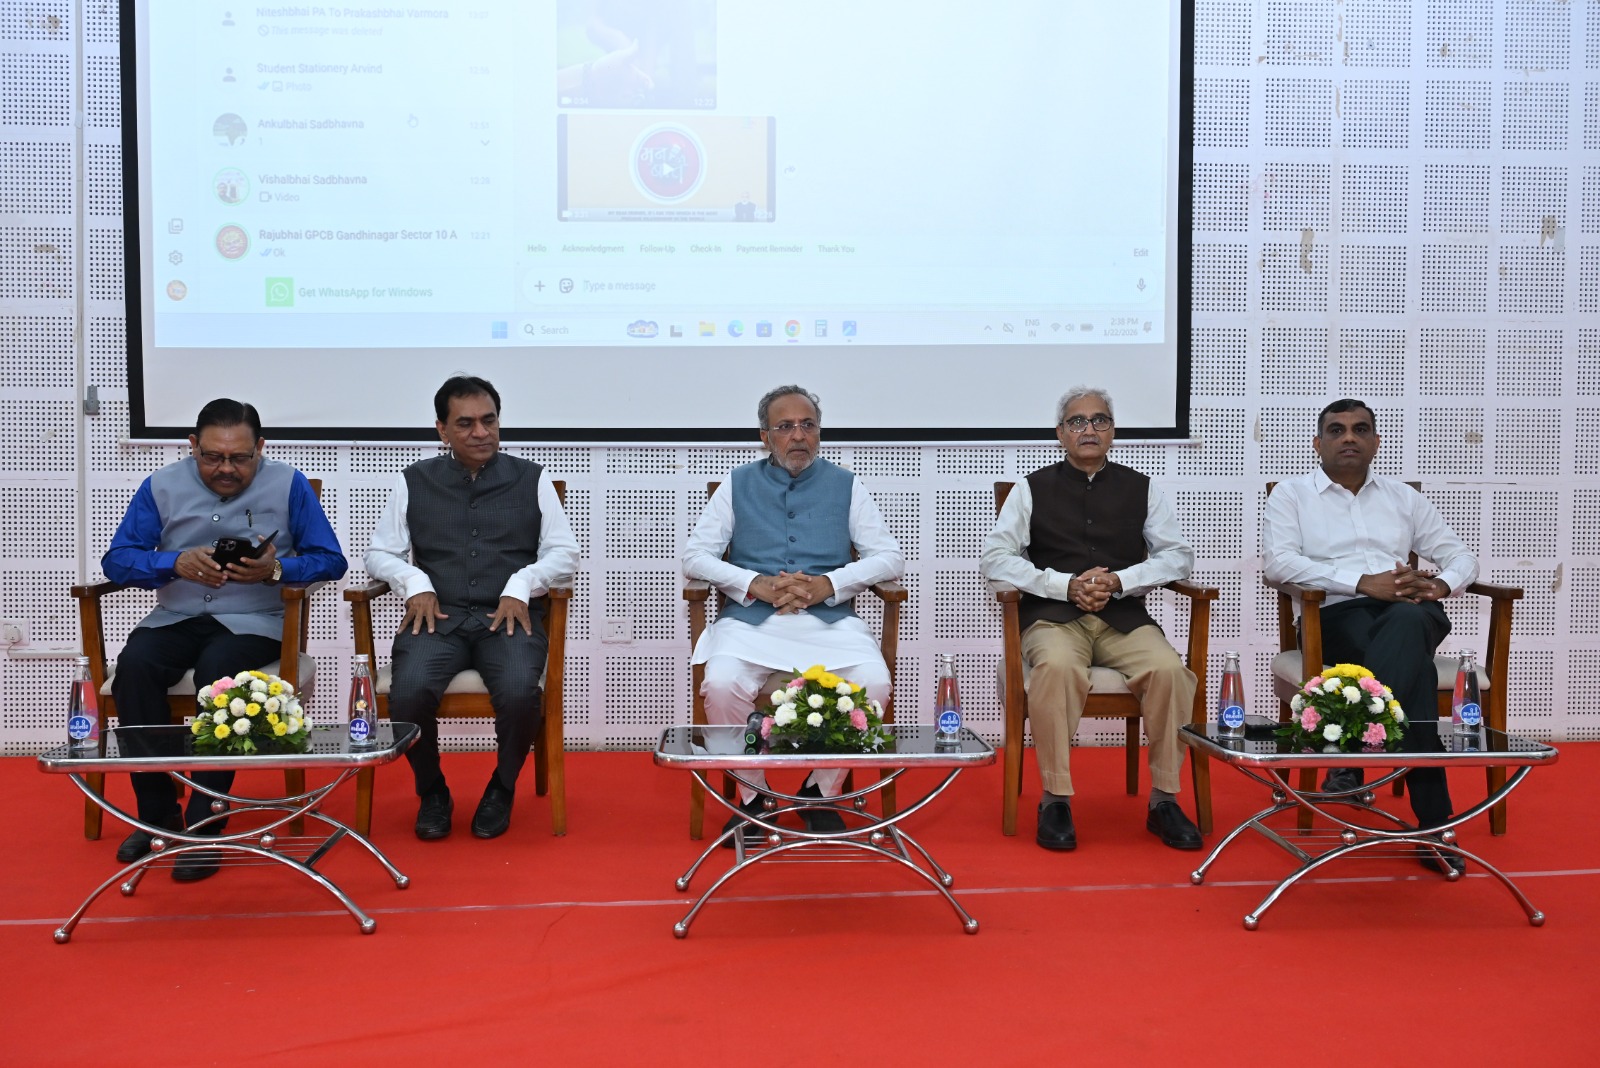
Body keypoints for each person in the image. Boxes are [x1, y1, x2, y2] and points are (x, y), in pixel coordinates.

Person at [102, 398, 347, 881]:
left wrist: (276, 569)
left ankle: (207, 822)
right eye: (213, 457)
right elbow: (118, 559)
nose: (226, 469)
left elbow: (331, 560)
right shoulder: (160, 485)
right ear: (192, 446)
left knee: (220, 673)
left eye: (239, 458)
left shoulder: (290, 483)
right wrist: (171, 562)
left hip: (254, 623)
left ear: (261, 448)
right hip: (175, 617)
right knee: (135, 667)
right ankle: (157, 816)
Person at [980, 387, 1203, 852]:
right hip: (1054, 618)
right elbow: (995, 559)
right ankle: (1055, 799)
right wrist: (1064, 585)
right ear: (1060, 433)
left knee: (1169, 671)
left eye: (1099, 420)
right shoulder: (1031, 488)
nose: (1088, 429)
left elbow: (1179, 557)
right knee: (1057, 668)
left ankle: (1164, 799)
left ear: (1112, 432)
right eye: (1077, 422)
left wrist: (1120, 580)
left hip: (1123, 618)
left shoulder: (1142, 488)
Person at [1263, 398, 1479, 874]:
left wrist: (1441, 585)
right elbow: (1279, 564)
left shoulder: (1403, 497)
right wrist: (1362, 583)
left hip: (1411, 611)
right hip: (1335, 616)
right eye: (1337, 430)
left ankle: (1351, 745)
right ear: (1318, 442)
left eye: (1360, 429)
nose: (1349, 438)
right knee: (1417, 670)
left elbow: (1462, 556)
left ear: (1376, 442)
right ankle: (1434, 826)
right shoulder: (1292, 495)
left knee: (1406, 620)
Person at [684, 385, 904, 845]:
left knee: (874, 683)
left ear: (819, 432)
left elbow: (889, 557)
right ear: (765, 436)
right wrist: (754, 583)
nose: (798, 435)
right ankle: (754, 798)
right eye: (785, 426)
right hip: (751, 623)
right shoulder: (736, 483)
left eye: (808, 425)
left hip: (828, 622)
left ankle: (820, 792)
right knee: (720, 684)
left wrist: (829, 585)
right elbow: (695, 557)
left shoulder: (846, 485)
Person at [366, 376, 578, 841]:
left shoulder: (532, 478)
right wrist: (415, 582)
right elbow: (379, 553)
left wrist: (522, 583)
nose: (481, 432)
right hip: (437, 618)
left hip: (509, 619)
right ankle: (432, 791)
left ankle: (502, 787)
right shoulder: (413, 480)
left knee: (521, 692)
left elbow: (565, 553)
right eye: (465, 424)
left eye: (489, 420)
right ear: (441, 430)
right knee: (408, 692)